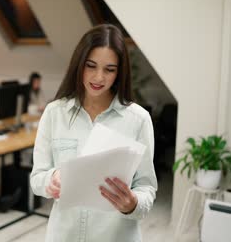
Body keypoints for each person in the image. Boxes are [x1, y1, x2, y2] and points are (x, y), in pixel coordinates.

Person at [30, 24, 157, 242]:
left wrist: (133, 204)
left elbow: (146, 187)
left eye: (109, 69)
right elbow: (37, 178)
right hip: (64, 236)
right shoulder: (54, 113)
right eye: (91, 66)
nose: (99, 77)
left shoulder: (138, 120)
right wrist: (51, 181)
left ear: (119, 73)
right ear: (79, 65)